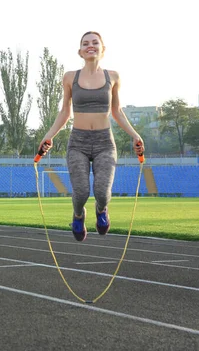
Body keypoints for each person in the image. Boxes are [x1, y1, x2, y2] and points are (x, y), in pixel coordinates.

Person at [37, 31, 144, 241]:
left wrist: (135, 135)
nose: (90, 46)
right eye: (85, 43)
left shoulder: (112, 77)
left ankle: (101, 210)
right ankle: (78, 215)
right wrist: (48, 136)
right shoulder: (70, 77)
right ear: (80, 51)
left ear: (102, 49)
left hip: (105, 142)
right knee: (82, 192)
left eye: (95, 43)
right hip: (78, 142)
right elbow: (65, 112)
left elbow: (117, 111)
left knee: (102, 193)